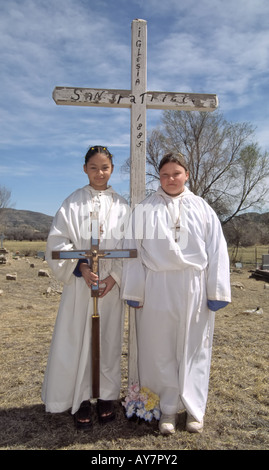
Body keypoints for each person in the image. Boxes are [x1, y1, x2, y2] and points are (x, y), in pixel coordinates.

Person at [121, 152, 231, 434]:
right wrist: (135, 289)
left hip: (194, 286)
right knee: (159, 348)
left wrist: (216, 290)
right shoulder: (145, 209)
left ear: (187, 175)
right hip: (158, 284)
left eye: (176, 173)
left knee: (194, 348)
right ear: (159, 177)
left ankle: (195, 409)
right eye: (165, 174)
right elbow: (132, 250)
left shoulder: (202, 208)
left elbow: (217, 249)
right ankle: (167, 409)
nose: (170, 179)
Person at [42, 145, 130, 429]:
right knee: (76, 339)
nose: (99, 173)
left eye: (105, 167)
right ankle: (79, 398)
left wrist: (113, 278)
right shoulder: (73, 203)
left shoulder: (122, 206)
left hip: (109, 289)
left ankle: (105, 396)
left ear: (112, 169)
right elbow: (58, 243)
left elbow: (131, 247)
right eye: (94, 167)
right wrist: (82, 267)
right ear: (84, 169)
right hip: (81, 286)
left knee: (107, 341)